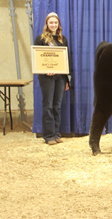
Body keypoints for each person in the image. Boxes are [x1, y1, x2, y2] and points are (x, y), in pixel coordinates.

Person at [34, 12, 71, 145]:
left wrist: (68, 79)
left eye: (55, 23)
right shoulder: (40, 39)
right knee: (48, 105)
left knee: (57, 106)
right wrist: (45, 70)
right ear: (47, 24)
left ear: (58, 24)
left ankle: (56, 134)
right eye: (51, 22)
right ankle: (48, 136)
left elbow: (67, 59)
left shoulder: (63, 39)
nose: (53, 25)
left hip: (60, 76)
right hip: (46, 77)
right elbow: (38, 58)